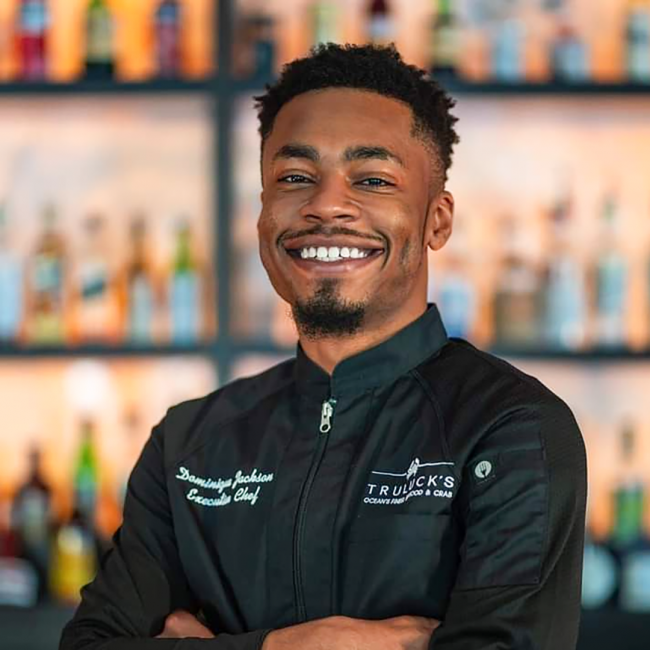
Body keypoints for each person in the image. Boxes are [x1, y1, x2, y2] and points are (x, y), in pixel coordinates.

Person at [60, 43, 587, 650]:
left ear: (437, 220)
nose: (327, 205)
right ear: (262, 216)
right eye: (294, 178)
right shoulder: (189, 442)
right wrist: (290, 645)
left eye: (372, 179)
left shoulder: (511, 427)